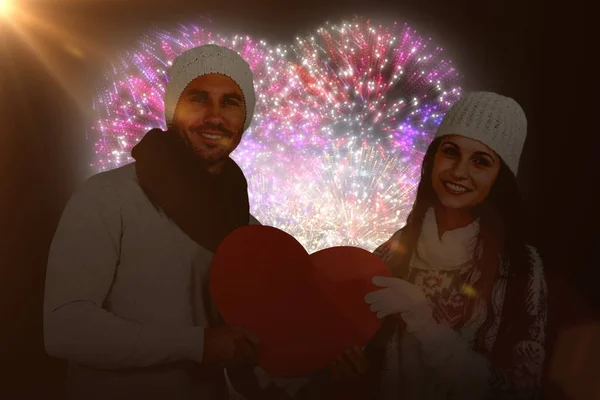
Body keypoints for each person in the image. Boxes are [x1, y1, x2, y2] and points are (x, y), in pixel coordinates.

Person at [44, 44, 267, 400]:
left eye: (230, 102)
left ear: (245, 118)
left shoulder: (247, 231)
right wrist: (199, 344)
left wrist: (318, 364)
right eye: (198, 99)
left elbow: (252, 351)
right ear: (172, 109)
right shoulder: (108, 196)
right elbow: (65, 329)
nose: (214, 116)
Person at [364, 91, 547, 399]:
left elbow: (520, 389)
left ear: (500, 178)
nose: (459, 172)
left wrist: (425, 322)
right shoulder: (397, 247)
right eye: (450, 152)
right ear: (433, 159)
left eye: (480, 161)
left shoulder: (521, 267)